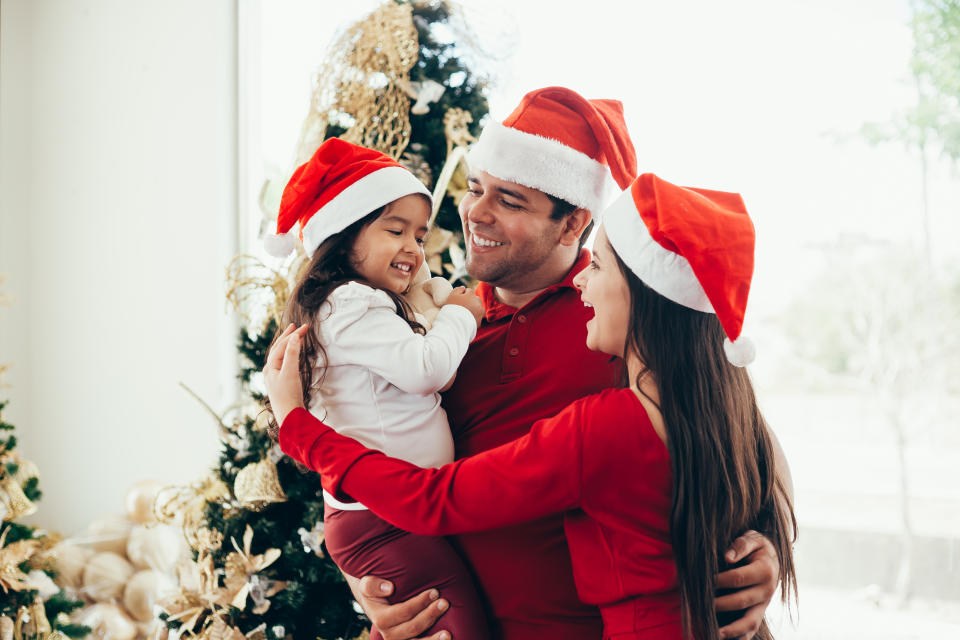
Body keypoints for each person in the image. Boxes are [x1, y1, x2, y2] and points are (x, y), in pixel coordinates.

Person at [286, 87, 786, 640]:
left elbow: (738, 437)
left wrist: (761, 545)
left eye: (510, 201)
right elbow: (365, 440)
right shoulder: (436, 325)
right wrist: (371, 581)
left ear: (574, 223)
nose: (476, 212)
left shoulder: (626, 320)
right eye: (477, 189)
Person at [263, 137, 489, 640]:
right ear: (343, 237)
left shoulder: (367, 306)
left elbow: (437, 375)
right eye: (395, 230)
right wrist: (459, 314)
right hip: (383, 517)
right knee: (459, 628)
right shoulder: (351, 304)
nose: (413, 247)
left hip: (390, 511)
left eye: (420, 235)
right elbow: (428, 371)